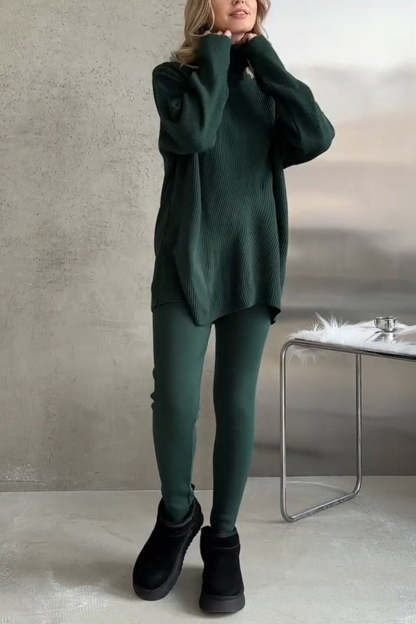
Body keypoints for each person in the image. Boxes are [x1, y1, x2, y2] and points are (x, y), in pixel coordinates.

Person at [132, 0, 335, 614]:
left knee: (236, 401)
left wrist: (261, 57)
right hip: (187, 259)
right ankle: (177, 516)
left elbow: (316, 136)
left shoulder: (269, 85)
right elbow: (195, 134)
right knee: (175, 397)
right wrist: (219, 51)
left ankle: (223, 536)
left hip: (252, 260)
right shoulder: (174, 79)